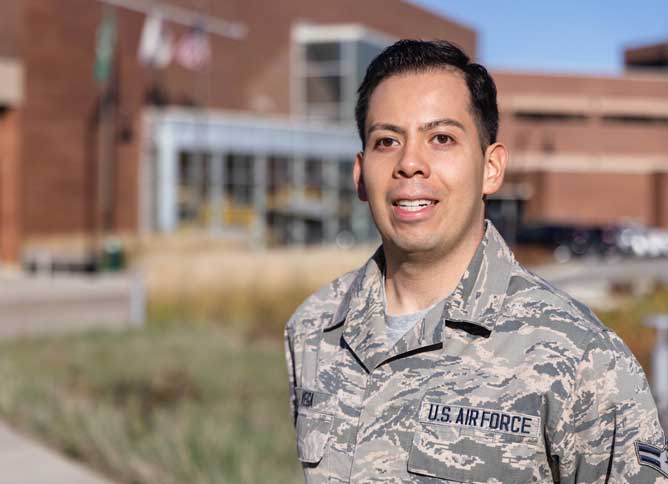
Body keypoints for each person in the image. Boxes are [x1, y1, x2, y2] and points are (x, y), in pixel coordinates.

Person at [283, 39, 667, 483]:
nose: (410, 163)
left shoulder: (579, 356)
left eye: (441, 138)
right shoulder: (313, 329)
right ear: (360, 173)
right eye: (386, 141)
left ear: (491, 167)